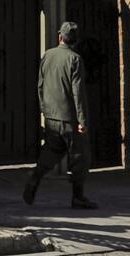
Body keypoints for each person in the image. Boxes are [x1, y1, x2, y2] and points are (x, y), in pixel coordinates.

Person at [23, 21, 98, 209]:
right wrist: (82, 120)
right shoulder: (75, 59)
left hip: (51, 115)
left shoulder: (47, 56)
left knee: (51, 151)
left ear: (60, 37)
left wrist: (44, 109)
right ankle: (78, 196)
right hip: (70, 118)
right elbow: (77, 92)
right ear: (76, 40)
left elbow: (40, 85)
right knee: (79, 156)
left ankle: (35, 177)